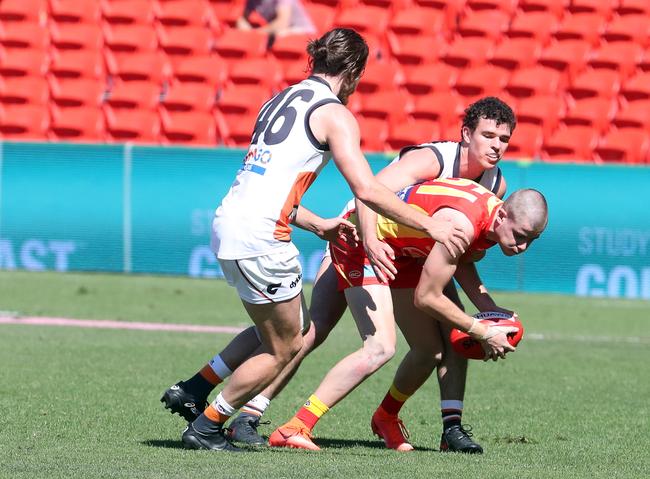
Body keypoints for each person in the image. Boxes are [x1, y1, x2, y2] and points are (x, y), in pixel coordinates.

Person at [163, 28, 469, 452]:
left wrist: (319, 225)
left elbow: (268, 184)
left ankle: (195, 388)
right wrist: (429, 225)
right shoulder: (335, 114)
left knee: (272, 329)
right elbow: (368, 189)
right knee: (289, 343)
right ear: (355, 70)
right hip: (262, 235)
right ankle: (209, 424)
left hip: (230, 219)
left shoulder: (279, 99)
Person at [268, 177, 548, 451]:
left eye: (531, 240)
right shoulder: (463, 223)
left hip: (405, 252)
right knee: (379, 347)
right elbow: (426, 297)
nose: (523, 247)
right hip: (364, 241)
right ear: (502, 215)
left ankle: (386, 417)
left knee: (428, 351)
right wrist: (483, 331)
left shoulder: (488, 218)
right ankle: (296, 426)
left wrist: (491, 308)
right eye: (520, 235)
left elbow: (459, 260)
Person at [236, 0, 316, 38]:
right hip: (280, 32)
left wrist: (256, 33)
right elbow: (243, 19)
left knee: (279, 34)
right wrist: (245, 29)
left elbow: (282, 22)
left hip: (303, 32)